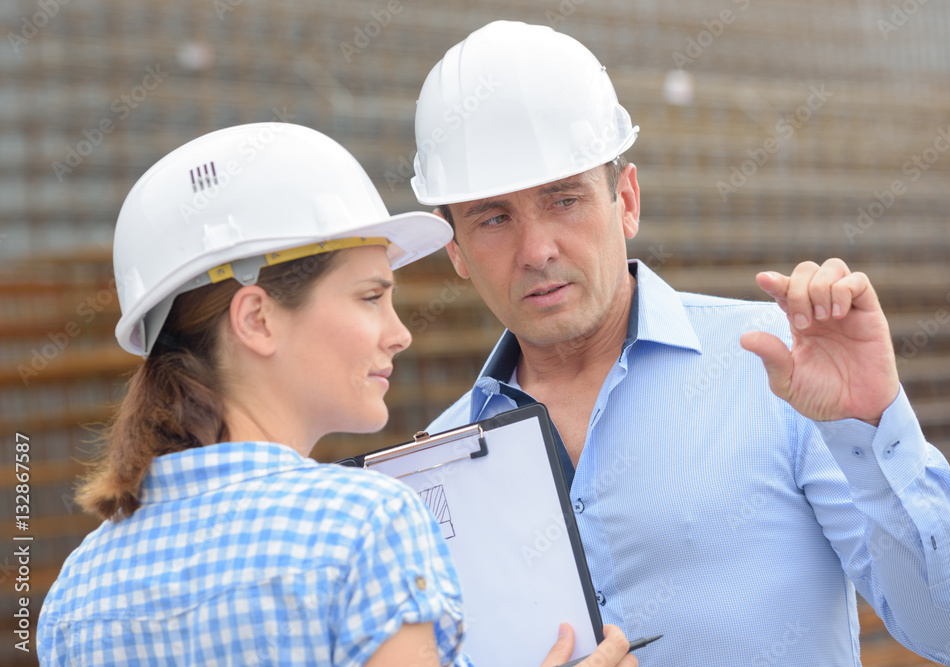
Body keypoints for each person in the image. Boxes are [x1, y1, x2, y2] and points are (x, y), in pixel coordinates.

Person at [412, 20, 950, 667]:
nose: (537, 250)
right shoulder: (429, 479)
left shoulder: (777, 367)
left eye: (564, 200)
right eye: (494, 217)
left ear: (626, 201)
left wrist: (873, 423)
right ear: (456, 251)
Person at [36, 123, 637, 667]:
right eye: (371, 297)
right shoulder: (366, 525)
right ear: (257, 320)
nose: (399, 334)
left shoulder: (77, 594)